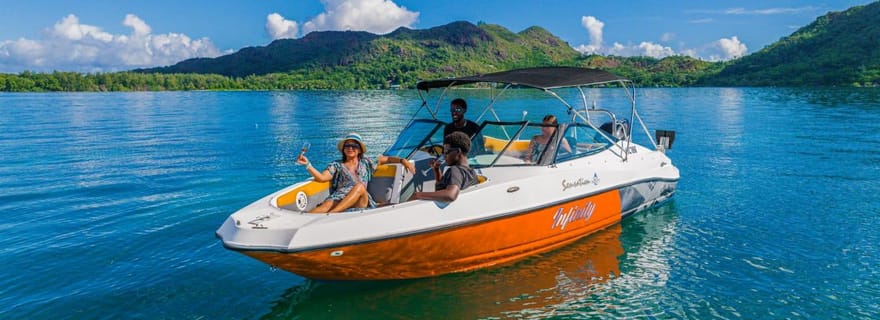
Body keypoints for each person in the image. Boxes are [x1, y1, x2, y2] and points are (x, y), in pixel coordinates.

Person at [297, 132, 415, 213]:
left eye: (354, 146)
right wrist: (308, 165)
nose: (350, 148)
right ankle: (301, 221)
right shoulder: (336, 165)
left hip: (361, 201)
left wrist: (403, 161)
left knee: (359, 186)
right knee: (325, 205)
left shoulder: (367, 162)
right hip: (340, 199)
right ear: (343, 149)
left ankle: (332, 215)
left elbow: (387, 159)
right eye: (347, 145)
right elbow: (322, 178)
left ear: (359, 150)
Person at [410, 132, 478, 202]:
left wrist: (417, 195)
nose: (444, 156)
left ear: (458, 151)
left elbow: (450, 195)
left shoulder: (455, 170)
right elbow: (442, 188)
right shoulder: (471, 172)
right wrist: (436, 170)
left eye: (446, 152)